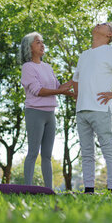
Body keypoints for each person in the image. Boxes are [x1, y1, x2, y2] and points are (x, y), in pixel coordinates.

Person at [72, 22, 112, 193]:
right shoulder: (84, 55)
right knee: (86, 152)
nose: (99, 24)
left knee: (107, 147)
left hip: (101, 108)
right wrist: (78, 97)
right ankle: (89, 189)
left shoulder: (111, 51)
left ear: (109, 34)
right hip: (81, 110)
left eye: (104, 25)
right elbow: (76, 79)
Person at [19, 32, 73, 188]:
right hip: (35, 112)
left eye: (42, 42)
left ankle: (49, 190)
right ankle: (28, 188)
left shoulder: (48, 67)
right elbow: (39, 91)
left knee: (47, 155)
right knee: (33, 152)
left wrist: (75, 80)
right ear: (29, 48)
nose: (42, 45)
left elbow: (58, 87)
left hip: (50, 114)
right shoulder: (27, 67)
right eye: (37, 42)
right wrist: (62, 92)